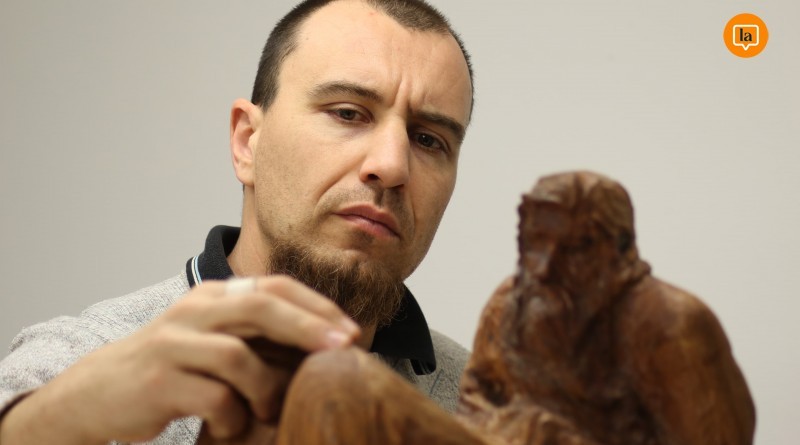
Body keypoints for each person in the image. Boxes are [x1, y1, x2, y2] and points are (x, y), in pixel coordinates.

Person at [0, 0, 474, 443]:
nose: (391, 165)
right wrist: (61, 417)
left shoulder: (483, 407)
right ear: (247, 142)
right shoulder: (86, 364)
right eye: (348, 113)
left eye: (429, 140)